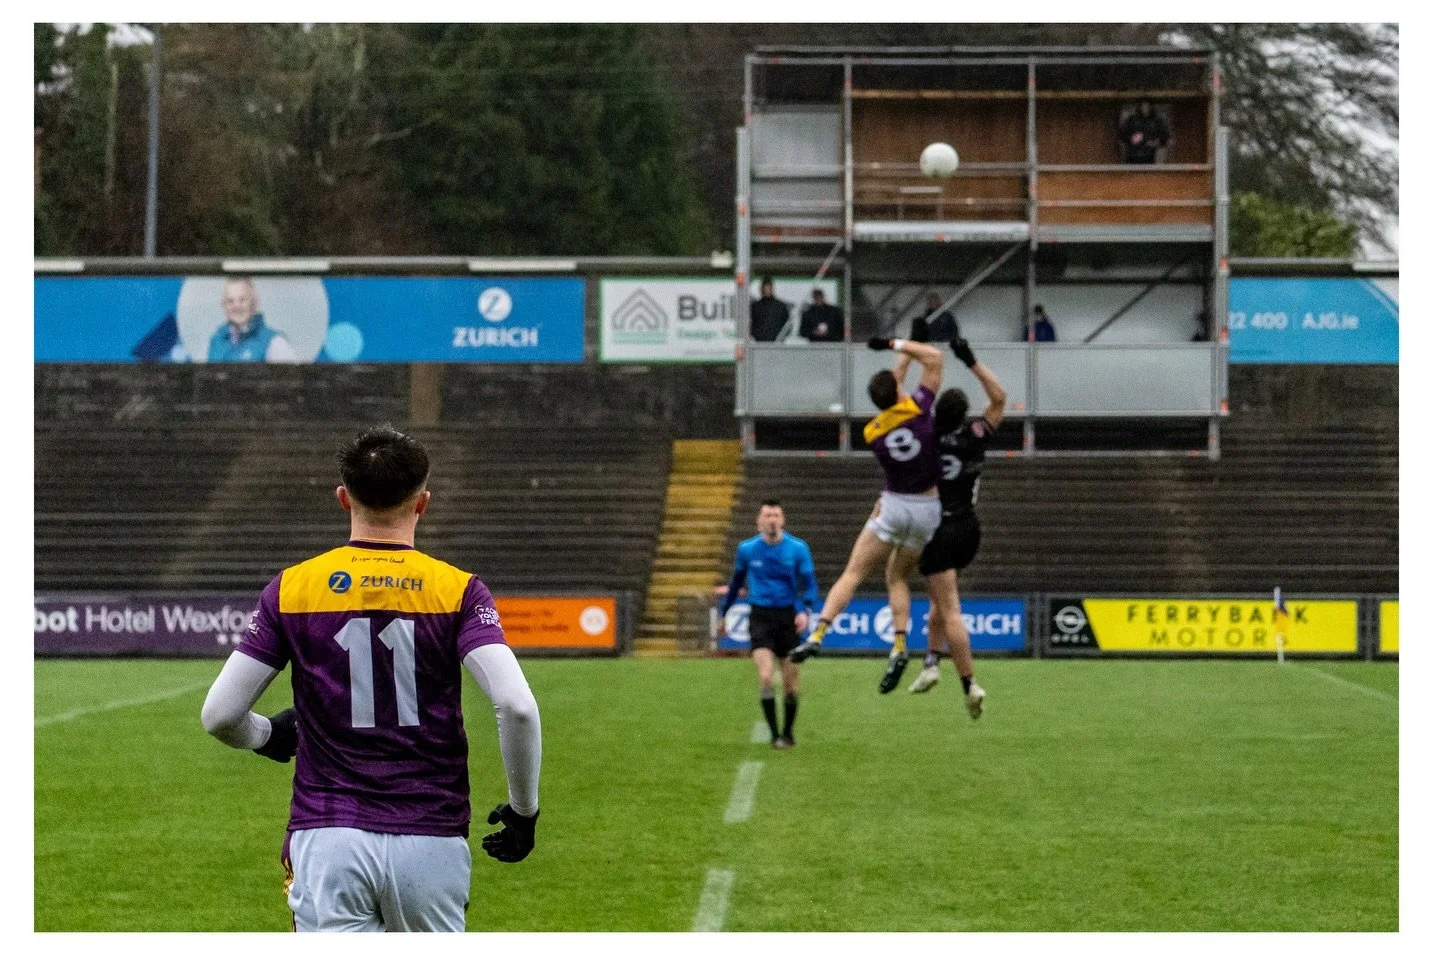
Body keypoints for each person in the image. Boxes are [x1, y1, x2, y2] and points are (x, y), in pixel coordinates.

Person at [200, 426, 542, 932]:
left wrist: (268, 736)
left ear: (344, 498)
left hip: (328, 834)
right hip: (431, 836)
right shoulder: (459, 590)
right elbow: (516, 706)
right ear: (422, 503)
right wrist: (523, 811)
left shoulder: (292, 588)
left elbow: (220, 715)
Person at [789, 337, 961, 696]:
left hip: (893, 506)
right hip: (927, 510)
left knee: (853, 572)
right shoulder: (919, 408)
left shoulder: (873, 431)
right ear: (899, 390)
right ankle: (899, 646)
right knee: (897, 576)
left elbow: (891, 390)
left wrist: (899, 363)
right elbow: (935, 359)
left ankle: (819, 633)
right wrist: (899, 345)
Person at [905, 337, 1004, 720]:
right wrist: (970, 360)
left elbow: (905, 406)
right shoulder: (974, 435)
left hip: (937, 530)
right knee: (939, 599)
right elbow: (999, 398)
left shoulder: (926, 437)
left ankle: (969, 684)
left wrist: (910, 358)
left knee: (950, 610)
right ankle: (931, 662)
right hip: (969, 528)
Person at [717, 500, 820, 749]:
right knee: (765, 676)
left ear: (782, 520)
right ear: (759, 521)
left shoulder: (797, 549)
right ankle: (775, 735)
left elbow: (809, 583)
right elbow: (735, 583)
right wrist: (723, 613)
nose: (772, 519)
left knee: (791, 684)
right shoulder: (747, 549)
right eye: (767, 515)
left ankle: (788, 731)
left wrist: (806, 610)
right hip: (760, 617)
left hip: (788, 618)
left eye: (776, 514)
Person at [208, 276, 298, 362]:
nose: (236, 306)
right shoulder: (216, 341)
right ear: (223, 306)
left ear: (255, 303)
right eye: (230, 301)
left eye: (242, 300)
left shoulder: (275, 343)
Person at [1118, 100, 1171, 165]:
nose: (1145, 109)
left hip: (1150, 155)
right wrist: (1131, 139)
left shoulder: (1157, 121)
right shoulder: (1132, 120)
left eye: (1147, 107)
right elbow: (1122, 135)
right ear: (1139, 107)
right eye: (1143, 106)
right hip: (1132, 155)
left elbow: (1165, 136)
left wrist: (1157, 141)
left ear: (1151, 107)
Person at [749, 277, 791, 342]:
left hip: (778, 344)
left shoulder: (781, 306)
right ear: (761, 289)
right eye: (765, 288)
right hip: (759, 344)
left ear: (772, 289)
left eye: (769, 288)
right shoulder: (755, 307)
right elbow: (750, 325)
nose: (767, 290)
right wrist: (757, 336)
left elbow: (787, 326)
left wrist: (780, 337)